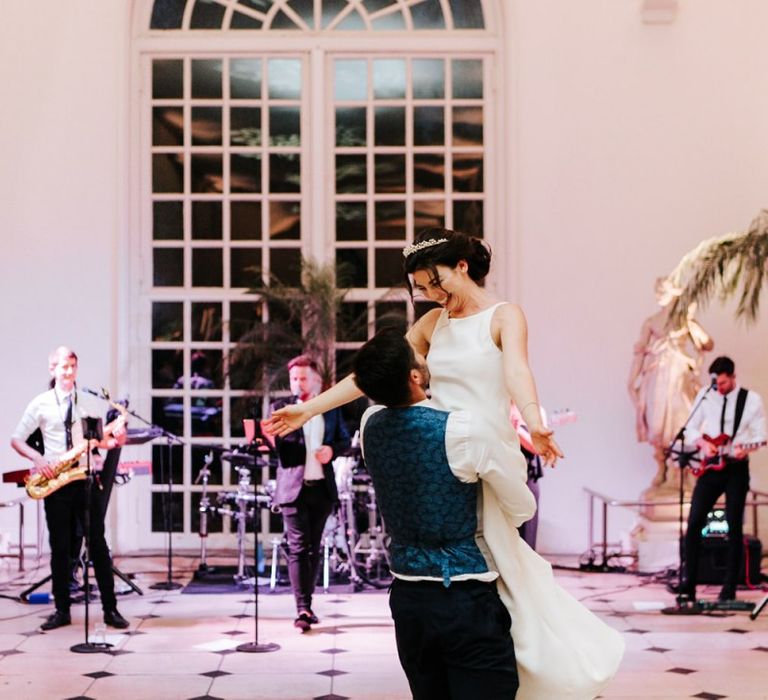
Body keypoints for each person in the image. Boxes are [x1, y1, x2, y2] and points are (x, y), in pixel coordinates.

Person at [266, 228, 624, 697]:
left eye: (435, 283)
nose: (431, 295)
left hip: (486, 450)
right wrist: (309, 408)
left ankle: (536, 670)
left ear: (461, 267)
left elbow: (517, 369)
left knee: (508, 571)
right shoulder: (434, 323)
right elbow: (376, 370)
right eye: (422, 288)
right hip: (441, 450)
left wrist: (535, 422)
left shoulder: (504, 316)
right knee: (487, 568)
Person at [354, 329, 529, 699]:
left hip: (407, 600)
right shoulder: (460, 430)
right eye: (417, 355)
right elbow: (522, 506)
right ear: (415, 376)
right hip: (464, 598)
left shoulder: (370, 425)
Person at [10, 346, 130, 631]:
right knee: (60, 548)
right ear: (52, 369)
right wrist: (38, 459)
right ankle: (61, 610)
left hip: (85, 480)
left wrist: (118, 438)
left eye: (73, 366)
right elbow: (17, 439)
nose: (69, 372)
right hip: (56, 482)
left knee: (98, 546)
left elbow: (102, 442)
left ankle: (110, 609)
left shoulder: (87, 403)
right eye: (63, 367)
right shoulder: (40, 403)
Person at [269, 355, 350, 631]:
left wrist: (332, 450)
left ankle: (308, 603)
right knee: (298, 547)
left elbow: (344, 439)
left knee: (314, 548)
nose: (297, 382)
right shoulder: (280, 408)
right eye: (294, 378)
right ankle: (301, 608)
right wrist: (269, 437)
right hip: (293, 488)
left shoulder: (329, 409)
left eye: (303, 377)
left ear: (316, 380)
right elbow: (276, 449)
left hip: (321, 489)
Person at [680, 355, 766, 603]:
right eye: (717, 383)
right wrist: (702, 443)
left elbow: (760, 434)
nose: (720, 388)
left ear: (733, 377)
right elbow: (690, 427)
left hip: (736, 468)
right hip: (710, 467)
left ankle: (729, 587)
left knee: (734, 526)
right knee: (695, 521)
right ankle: (690, 583)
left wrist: (745, 449)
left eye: (725, 383)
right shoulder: (706, 394)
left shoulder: (751, 400)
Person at [628, 277, 714, 487]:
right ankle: (662, 469)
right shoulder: (651, 322)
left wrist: (692, 324)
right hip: (657, 376)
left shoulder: (685, 320)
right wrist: (632, 380)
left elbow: (707, 344)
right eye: (657, 291)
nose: (659, 295)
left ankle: (679, 471)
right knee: (657, 423)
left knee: (680, 419)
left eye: (663, 290)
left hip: (679, 374)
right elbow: (640, 352)